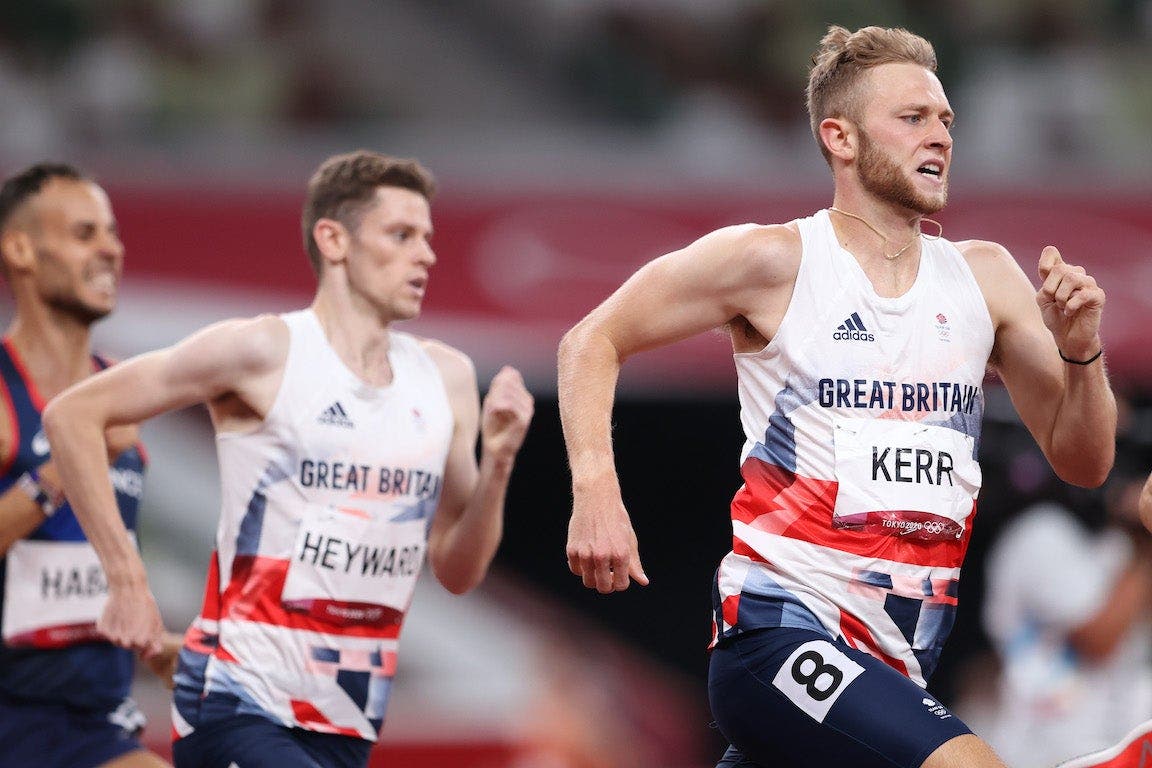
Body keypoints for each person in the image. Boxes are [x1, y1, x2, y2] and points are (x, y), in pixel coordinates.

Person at [558, 24, 1116, 768]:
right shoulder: (773, 261)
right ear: (840, 138)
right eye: (912, 118)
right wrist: (596, 491)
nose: (940, 136)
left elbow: (1085, 461)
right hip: (778, 631)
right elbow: (590, 341)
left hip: (894, 663)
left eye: (946, 119)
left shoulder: (985, 278)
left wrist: (1081, 349)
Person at [43, 150, 534, 768]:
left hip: (348, 719)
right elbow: (73, 415)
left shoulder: (445, 377)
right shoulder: (263, 350)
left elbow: (459, 570)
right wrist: (127, 581)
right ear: (334, 240)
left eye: (428, 238)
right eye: (402, 235)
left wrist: (500, 463)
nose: (427, 256)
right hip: (238, 698)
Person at [0, 163, 176, 767]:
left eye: (112, 232)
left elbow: (91, 564)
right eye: (84, 233)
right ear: (20, 250)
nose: (111, 249)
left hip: (94, 715)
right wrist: (71, 460)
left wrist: (153, 644)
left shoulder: (120, 387)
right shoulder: (4, 394)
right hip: (15, 716)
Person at [983, 462, 1152, 767]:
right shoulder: (1041, 532)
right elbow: (1097, 639)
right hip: (1045, 746)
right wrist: (1144, 540)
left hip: (1112, 738)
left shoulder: (1118, 545)